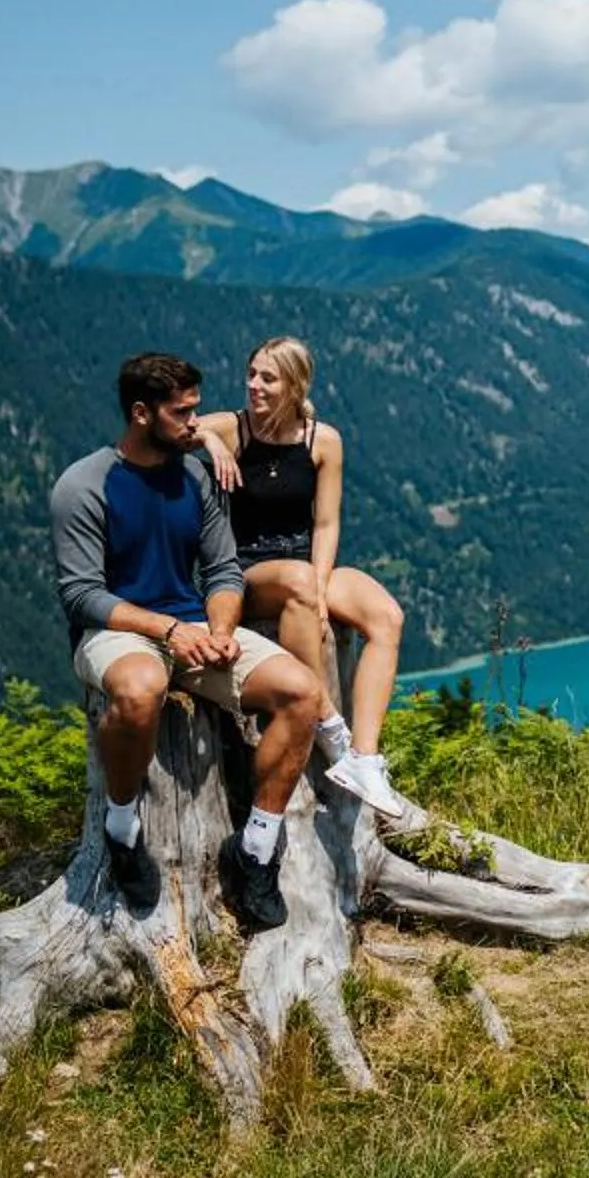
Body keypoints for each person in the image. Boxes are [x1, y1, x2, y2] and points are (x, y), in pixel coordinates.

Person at [50, 350, 324, 931]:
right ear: (142, 413)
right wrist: (168, 629)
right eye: (183, 414)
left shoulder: (195, 477)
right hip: (116, 631)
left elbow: (223, 571)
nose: (196, 425)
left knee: (302, 692)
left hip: (194, 629)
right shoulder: (84, 484)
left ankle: (253, 849)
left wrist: (221, 632)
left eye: (198, 410)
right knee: (143, 687)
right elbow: (81, 595)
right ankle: (122, 828)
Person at [197, 335, 409, 821]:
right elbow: (174, 428)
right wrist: (209, 439)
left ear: (295, 385)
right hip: (245, 570)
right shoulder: (233, 428)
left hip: (304, 565)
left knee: (386, 615)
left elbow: (326, 523)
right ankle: (331, 726)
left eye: (267, 378)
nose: (254, 385)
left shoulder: (324, 440)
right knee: (295, 581)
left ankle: (364, 758)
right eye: (251, 373)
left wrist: (319, 585)